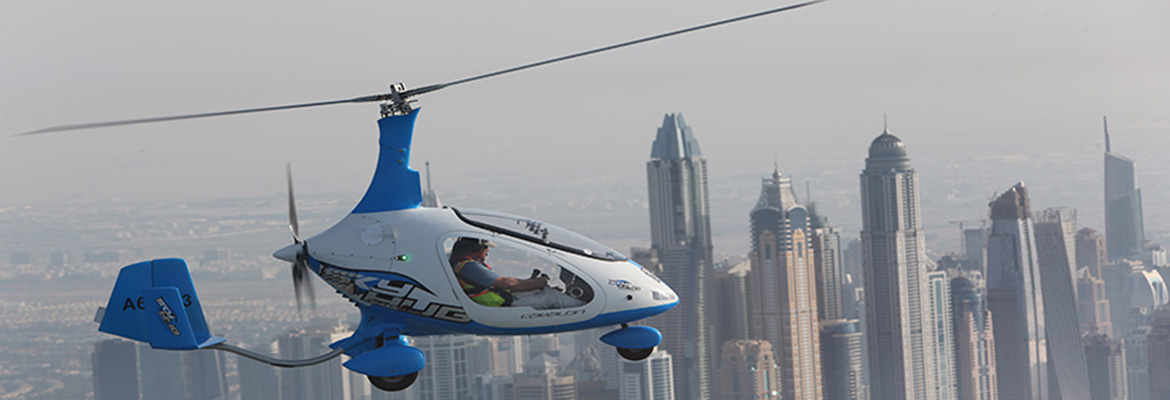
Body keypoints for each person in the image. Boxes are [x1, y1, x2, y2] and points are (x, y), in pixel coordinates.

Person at [449, 237, 585, 310]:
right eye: (485, 248)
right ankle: (584, 307)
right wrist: (535, 283)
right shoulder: (469, 266)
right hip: (500, 304)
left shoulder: (463, 264)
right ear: (475, 248)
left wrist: (531, 284)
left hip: (502, 298)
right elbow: (506, 283)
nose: (487, 252)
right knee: (552, 296)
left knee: (544, 290)